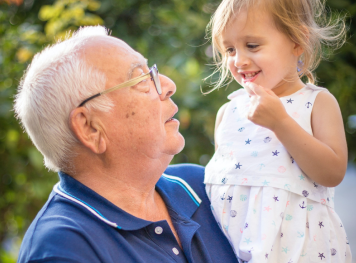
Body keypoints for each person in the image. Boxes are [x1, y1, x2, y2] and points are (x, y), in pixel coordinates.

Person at [15, 26, 238, 263]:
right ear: (90, 127)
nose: (168, 85)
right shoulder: (61, 249)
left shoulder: (203, 185)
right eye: (142, 79)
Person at [203, 0, 351, 262]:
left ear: (297, 42)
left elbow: (333, 172)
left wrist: (280, 122)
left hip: (300, 252)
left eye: (252, 45)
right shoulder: (228, 113)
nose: (239, 60)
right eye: (229, 49)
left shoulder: (317, 103)